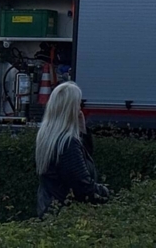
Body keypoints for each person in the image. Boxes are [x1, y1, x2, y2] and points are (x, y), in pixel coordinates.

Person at [36, 82, 110, 218]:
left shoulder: (48, 138)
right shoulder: (67, 144)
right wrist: (105, 192)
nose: (80, 109)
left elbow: (81, 164)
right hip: (66, 216)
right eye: (78, 105)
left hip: (50, 210)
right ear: (70, 110)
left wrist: (82, 133)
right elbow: (82, 186)